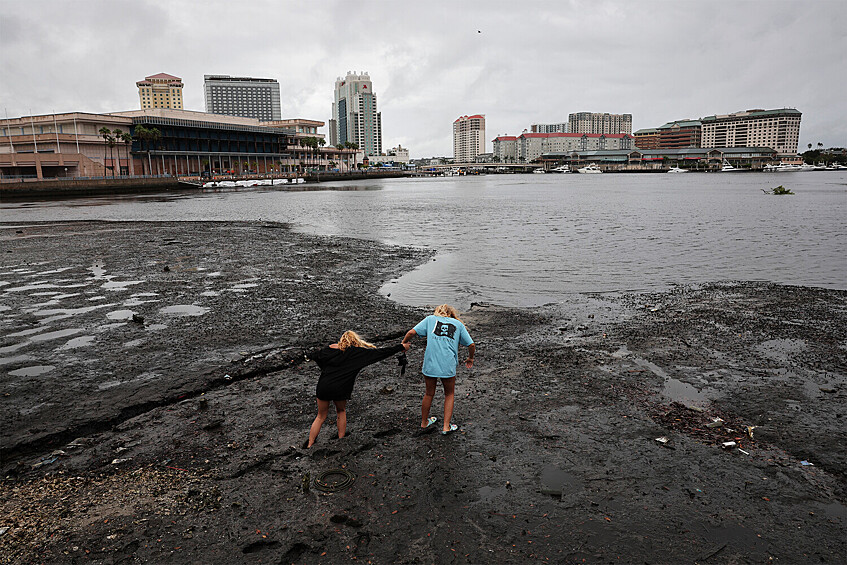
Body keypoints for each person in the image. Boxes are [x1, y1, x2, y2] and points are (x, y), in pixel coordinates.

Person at [306, 331, 409, 448]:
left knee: (320, 416)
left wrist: (325, 368)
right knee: (341, 411)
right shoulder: (356, 353)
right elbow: (380, 353)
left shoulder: (327, 350)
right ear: (355, 341)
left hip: (324, 386)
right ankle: (340, 440)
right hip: (340, 388)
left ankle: (310, 444)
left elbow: (314, 356)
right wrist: (401, 347)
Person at [403, 305, 475, 435]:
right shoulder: (458, 324)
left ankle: (424, 422)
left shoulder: (430, 319)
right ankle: (446, 427)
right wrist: (470, 358)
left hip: (430, 363)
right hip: (447, 365)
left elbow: (411, 333)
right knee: (449, 394)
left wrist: (404, 343)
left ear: (437, 312)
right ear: (451, 314)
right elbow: (471, 344)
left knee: (429, 393)